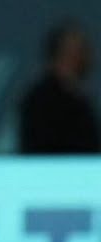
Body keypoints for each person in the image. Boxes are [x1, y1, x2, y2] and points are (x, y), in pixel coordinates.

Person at [18, 22, 99, 154]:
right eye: (81, 50)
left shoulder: (81, 102)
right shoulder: (39, 100)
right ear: (66, 54)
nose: (89, 56)